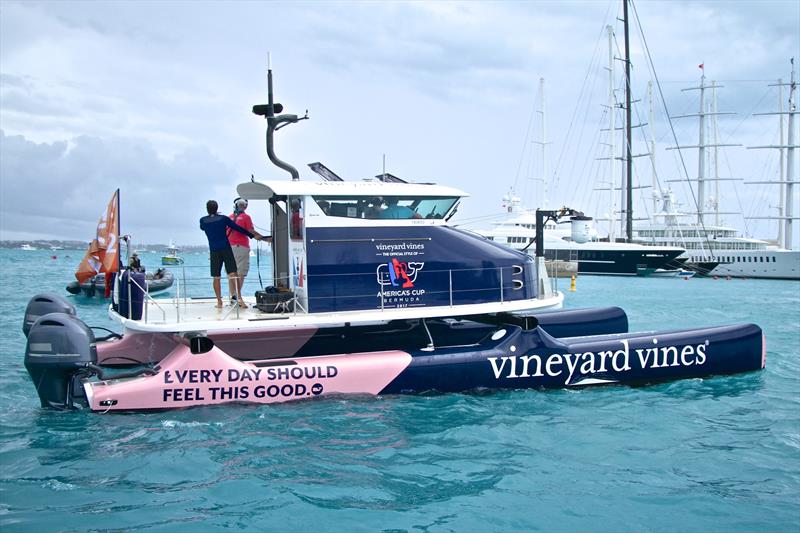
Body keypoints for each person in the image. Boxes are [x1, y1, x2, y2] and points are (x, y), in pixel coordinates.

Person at [200, 200, 263, 308]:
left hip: (214, 250)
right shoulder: (223, 218)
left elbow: (202, 228)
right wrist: (252, 236)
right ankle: (239, 299)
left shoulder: (203, 221)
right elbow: (237, 228)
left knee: (216, 277)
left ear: (207, 208)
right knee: (233, 274)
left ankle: (219, 302)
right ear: (217, 208)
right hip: (225, 248)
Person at [228, 198, 269, 303]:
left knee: (232, 272)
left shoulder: (230, 217)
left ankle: (232, 296)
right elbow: (250, 231)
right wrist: (265, 239)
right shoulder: (246, 217)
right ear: (245, 206)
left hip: (230, 247)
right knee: (240, 272)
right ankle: (238, 296)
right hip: (241, 246)